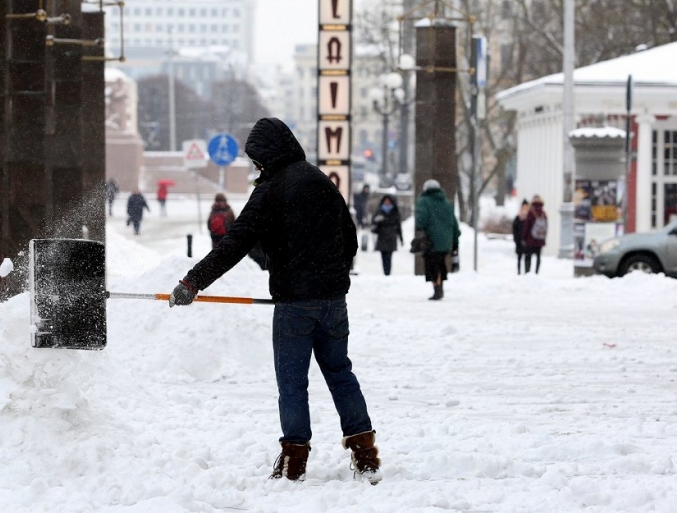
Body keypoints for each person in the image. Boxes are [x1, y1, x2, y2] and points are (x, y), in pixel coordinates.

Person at [168, 117, 381, 484]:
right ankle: (366, 454)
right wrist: (332, 274)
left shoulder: (271, 189)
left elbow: (234, 244)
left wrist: (192, 282)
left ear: (266, 155)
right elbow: (349, 238)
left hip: (294, 305)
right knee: (341, 374)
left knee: (292, 382)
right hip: (333, 302)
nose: (256, 166)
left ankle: (293, 459)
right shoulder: (321, 181)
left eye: (256, 159)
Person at [414, 179, 460, 300]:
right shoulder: (446, 203)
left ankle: (437, 289)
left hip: (431, 240)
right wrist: (454, 239)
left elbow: (420, 221)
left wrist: (421, 227)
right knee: (441, 263)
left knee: (431, 264)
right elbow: (454, 223)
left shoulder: (424, 201)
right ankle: (440, 287)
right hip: (446, 240)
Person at [371, 194, 404, 276]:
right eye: (386, 201)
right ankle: (385, 272)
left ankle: (388, 272)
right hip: (382, 236)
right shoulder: (379, 211)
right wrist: (377, 221)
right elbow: (373, 225)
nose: (387, 203)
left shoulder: (395, 211)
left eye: (388, 201)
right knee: (383, 255)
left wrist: (401, 238)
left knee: (389, 256)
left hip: (391, 237)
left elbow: (399, 226)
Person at [521, 194, 547, 274]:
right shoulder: (544, 213)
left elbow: (526, 226)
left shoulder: (531, 213)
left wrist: (524, 237)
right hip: (540, 238)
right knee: (538, 257)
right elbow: (546, 227)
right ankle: (536, 272)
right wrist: (543, 238)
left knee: (528, 257)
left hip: (530, 239)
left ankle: (527, 272)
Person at [512, 199, 530, 275]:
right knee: (519, 258)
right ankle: (519, 273)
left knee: (527, 258)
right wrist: (517, 239)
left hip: (527, 241)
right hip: (519, 241)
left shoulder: (529, 218)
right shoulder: (518, 217)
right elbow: (514, 229)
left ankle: (527, 273)